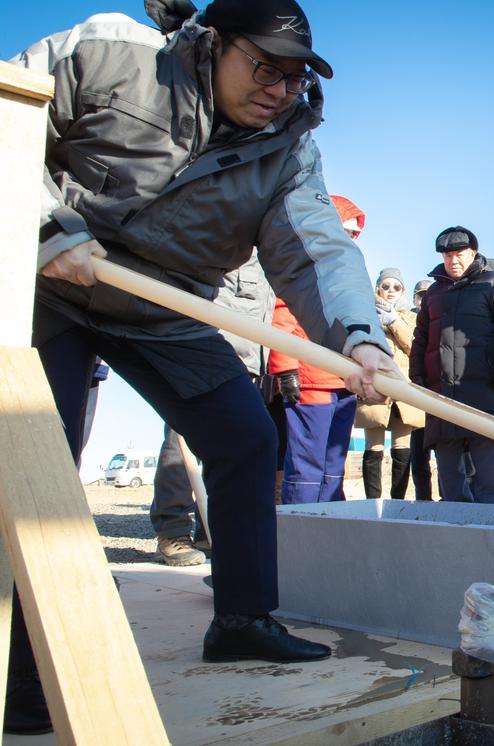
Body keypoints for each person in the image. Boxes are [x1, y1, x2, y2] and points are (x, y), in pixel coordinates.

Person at [12, 0, 396, 731]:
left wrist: (358, 338)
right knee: (40, 455)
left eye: (293, 78)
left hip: (162, 306)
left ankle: (243, 619)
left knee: (246, 438)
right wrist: (44, 225)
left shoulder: (288, 145)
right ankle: (21, 664)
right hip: (48, 281)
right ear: (215, 43)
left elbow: (316, 248)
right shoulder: (112, 52)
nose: (279, 90)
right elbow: (6, 117)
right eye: (263, 68)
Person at [152, 252, 274, 566]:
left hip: (245, 364)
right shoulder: (230, 245)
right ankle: (172, 531)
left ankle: (209, 530)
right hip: (203, 357)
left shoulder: (268, 261)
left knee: (227, 450)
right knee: (180, 449)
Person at [268, 195, 367, 505]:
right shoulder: (305, 267)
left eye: (353, 234)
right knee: (307, 465)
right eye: (345, 231)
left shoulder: (350, 274)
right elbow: (282, 318)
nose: (350, 238)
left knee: (334, 464)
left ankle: (331, 527)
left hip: (344, 383)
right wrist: (285, 369)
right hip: (312, 385)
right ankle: (301, 529)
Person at [410, 227, 494, 504]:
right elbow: (420, 337)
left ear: (472, 252)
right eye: (447, 256)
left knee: (486, 468)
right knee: (449, 469)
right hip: (440, 390)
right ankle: (456, 527)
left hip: (483, 387)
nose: (452, 261)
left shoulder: (492, 284)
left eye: (458, 254)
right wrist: (417, 375)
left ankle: (489, 524)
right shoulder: (433, 292)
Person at [355, 267, 425, 499]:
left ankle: (397, 502)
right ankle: (372, 503)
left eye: (396, 287)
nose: (391, 291)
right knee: (373, 448)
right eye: (386, 286)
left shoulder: (411, 317)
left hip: (403, 390)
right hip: (374, 388)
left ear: (403, 290)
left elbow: (414, 346)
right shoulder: (365, 314)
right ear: (378, 288)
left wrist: (393, 321)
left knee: (401, 447)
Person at [408, 280, 437, 500]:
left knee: (449, 452)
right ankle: (422, 499)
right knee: (418, 454)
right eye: (420, 296)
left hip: (439, 392)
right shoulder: (406, 319)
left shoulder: (438, 319)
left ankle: (449, 500)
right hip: (417, 395)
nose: (423, 300)